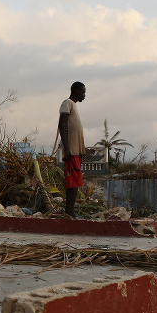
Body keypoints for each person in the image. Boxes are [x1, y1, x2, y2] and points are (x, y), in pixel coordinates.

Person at [58, 81, 86, 216]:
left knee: (75, 181)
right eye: (82, 92)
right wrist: (67, 148)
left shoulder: (73, 105)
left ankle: (70, 211)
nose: (84, 95)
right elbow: (62, 125)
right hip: (71, 151)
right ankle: (69, 212)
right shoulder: (67, 103)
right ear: (75, 91)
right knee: (72, 182)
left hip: (76, 151)